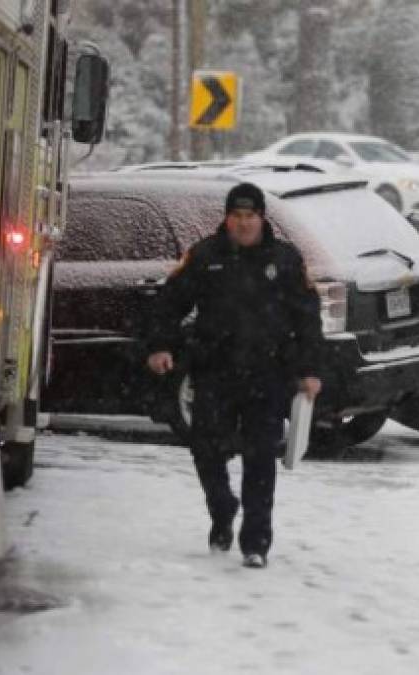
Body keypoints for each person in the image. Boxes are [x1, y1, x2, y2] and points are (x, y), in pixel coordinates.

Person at [145, 182, 322, 569]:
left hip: (268, 374)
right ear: (227, 218)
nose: (243, 224)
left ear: (262, 218)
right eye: (237, 216)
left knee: (261, 458)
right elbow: (169, 303)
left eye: (251, 216)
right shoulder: (205, 256)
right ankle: (222, 508)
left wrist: (309, 371)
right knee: (206, 449)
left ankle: (255, 542)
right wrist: (161, 346)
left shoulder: (286, 260)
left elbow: (308, 318)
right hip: (214, 371)